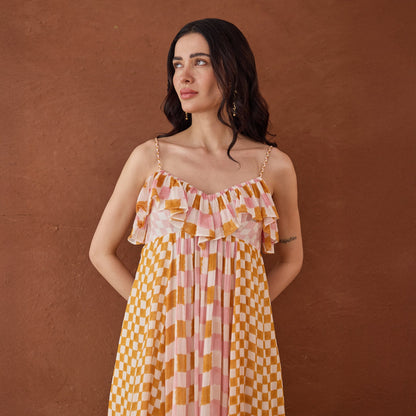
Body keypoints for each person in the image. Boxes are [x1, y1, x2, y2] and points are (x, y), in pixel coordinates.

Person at [89, 18, 303, 416]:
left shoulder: (273, 167)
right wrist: (153, 308)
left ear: (232, 70)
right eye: (177, 64)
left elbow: (292, 259)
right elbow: (100, 251)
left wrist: (243, 312)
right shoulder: (150, 158)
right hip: (159, 342)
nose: (183, 76)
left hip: (238, 344)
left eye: (199, 62)